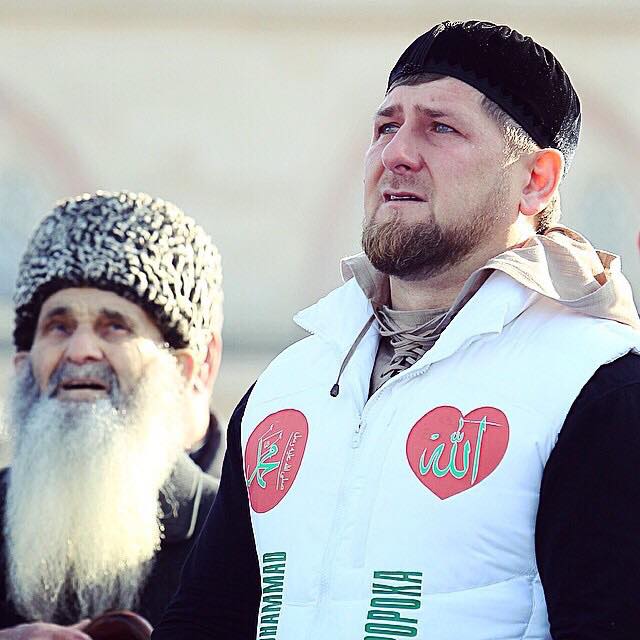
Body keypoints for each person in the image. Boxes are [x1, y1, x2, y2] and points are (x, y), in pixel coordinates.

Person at [153, 21, 640, 640]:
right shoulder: (290, 386)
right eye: (386, 127)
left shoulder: (596, 386)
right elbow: (205, 620)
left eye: (441, 128)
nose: (396, 154)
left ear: (535, 180)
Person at [0, 191, 225, 638]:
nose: (81, 351)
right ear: (23, 364)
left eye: (115, 327)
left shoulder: (233, 533)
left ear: (183, 369)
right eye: (59, 326)